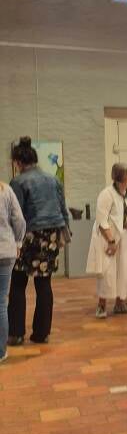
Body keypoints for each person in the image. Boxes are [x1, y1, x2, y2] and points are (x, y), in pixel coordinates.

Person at [8, 137, 70, 345]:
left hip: (28, 235)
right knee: (44, 283)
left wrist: (12, 240)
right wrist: (65, 232)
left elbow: (16, 215)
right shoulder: (53, 179)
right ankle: (42, 333)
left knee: (18, 283)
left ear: (18, 162)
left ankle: (16, 333)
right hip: (51, 235)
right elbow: (62, 208)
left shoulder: (18, 182)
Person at [86, 163, 127, 318]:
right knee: (107, 272)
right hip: (108, 238)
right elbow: (101, 220)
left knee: (124, 271)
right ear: (120, 176)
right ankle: (101, 306)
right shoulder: (106, 194)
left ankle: (121, 303)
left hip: (126, 237)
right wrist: (111, 241)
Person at [0, 181, 26, 363]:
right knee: (1, 302)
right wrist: (18, 242)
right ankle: (1, 351)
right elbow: (19, 220)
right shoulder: (5, 190)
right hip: (5, 251)